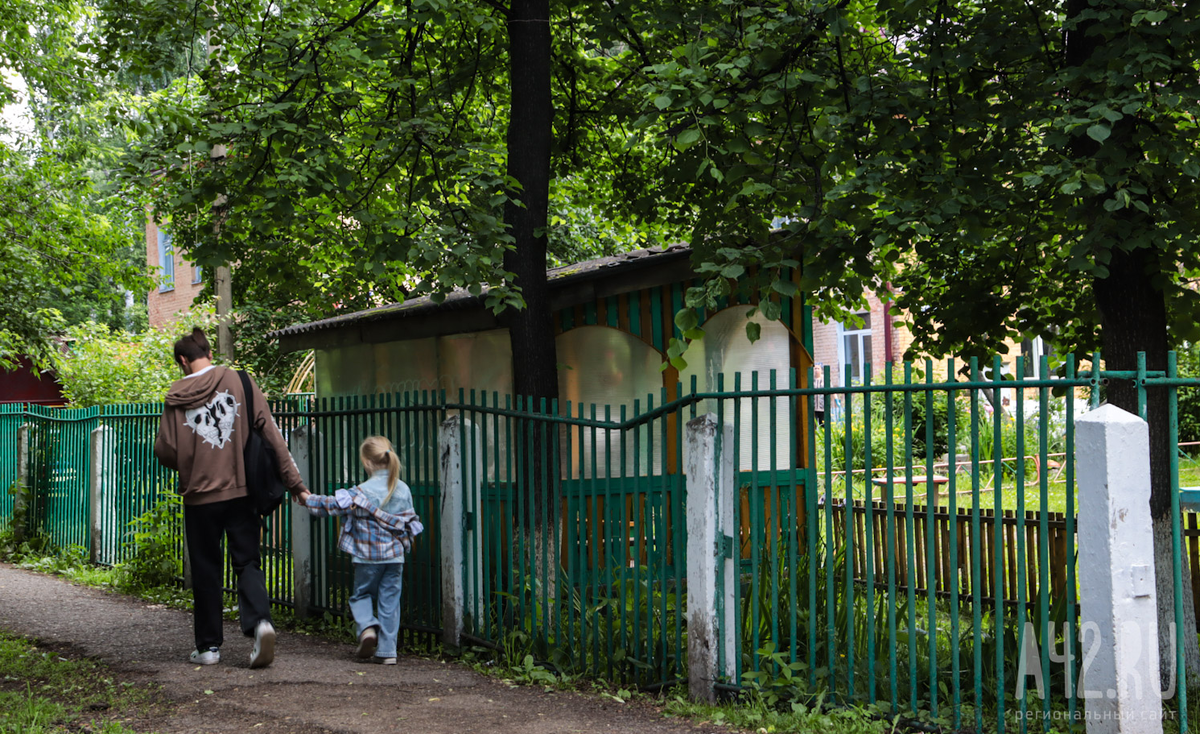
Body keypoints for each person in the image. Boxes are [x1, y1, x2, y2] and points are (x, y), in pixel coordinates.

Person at [153, 327, 309, 668]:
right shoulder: (240, 381)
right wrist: (295, 483)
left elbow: (165, 451)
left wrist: (192, 454)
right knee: (247, 561)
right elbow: (271, 432)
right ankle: (260, 625)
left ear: (182, 360)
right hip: (241, 493)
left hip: (199, 499)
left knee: (207, 568)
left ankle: (208, 648)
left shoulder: (175, 397)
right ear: (209, 352)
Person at [298, 436, 422, 665]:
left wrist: (307, 499)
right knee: (390, 602)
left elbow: (330, 505)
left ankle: (367, 628)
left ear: (367, 462)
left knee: (361, 595)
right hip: (395, 557)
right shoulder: (403, 489)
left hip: (366, 557)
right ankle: (387, 652)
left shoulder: (359, 492)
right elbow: (409, 522)